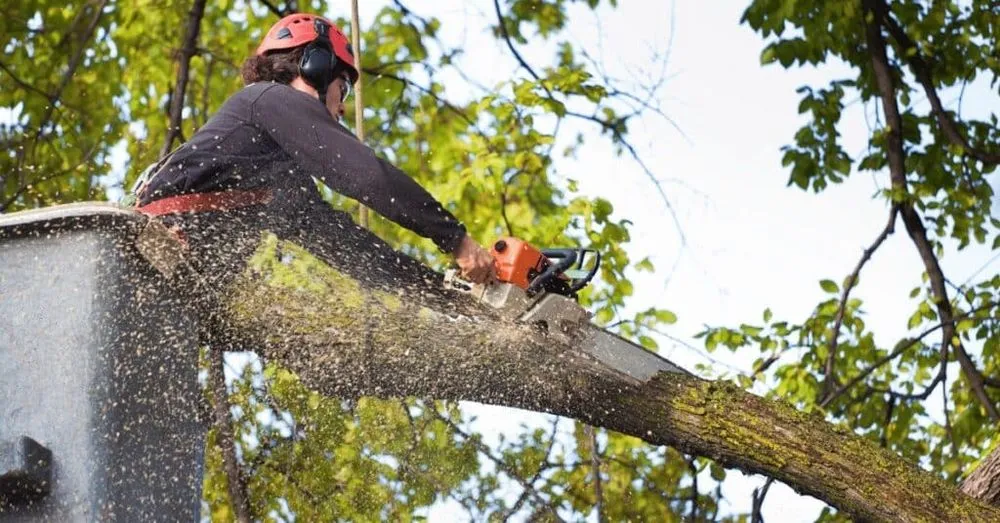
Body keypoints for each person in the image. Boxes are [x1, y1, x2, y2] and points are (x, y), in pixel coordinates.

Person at [132, 12, 496, 290]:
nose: (342, 107)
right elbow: (367, 175)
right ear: (315, 68)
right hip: (144, 256)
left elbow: (348, 248)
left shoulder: (279, 178)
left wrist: (444, 293)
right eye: (343, 89)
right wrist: (456, 239)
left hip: (168, 285)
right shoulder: (267, 99)